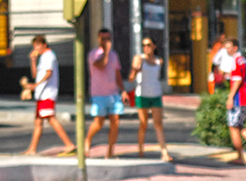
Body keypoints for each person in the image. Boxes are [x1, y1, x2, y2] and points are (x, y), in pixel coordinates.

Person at [22, 35, 75, 156]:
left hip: (47, 93)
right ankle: (32, 149)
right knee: (38, 122)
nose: (36, 48)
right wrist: (33, 61)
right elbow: (35, 75)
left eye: (38, 45)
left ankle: (69, 144)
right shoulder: (42, 58)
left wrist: (35, 86)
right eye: (34, 46)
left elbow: (49, 73)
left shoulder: (49, 56)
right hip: (41, 94)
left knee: (51, 119)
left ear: (44, 44)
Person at [84, 28, 129, 158]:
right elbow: (101, 65)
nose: (106, 41)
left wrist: (123, 90)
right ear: (98, 39)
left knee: (115, 122)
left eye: (108, 39)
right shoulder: (94, 54)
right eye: (103, 39)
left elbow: (117, 74)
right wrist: (106, 52)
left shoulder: (114, 55)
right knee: (99, 122)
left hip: (113, 93)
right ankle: (88, 140)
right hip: (99, 94)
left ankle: (110, 151)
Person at [127, 37, 171, 162]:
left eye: (148, 45)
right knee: (143, 123)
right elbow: (131, 78)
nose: (146, 47)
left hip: (156, 94)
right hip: (142, 94)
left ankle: (164, 152)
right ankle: (141, 149)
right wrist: (136, 70)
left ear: (154, 46)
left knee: (158, 124)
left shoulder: (159, 61)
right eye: (144, 45)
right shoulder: (139, 58)